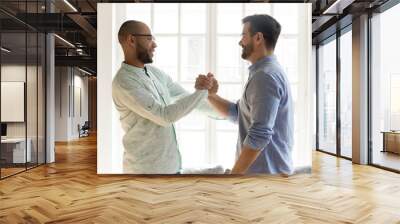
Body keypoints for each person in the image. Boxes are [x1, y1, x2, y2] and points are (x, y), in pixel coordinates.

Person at [112, 20, 218, 174]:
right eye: (149, 38)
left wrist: (230, 113)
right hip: (144, 172)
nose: (154, 44)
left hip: (171, 167)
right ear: (131, 40)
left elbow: (186, 98)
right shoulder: (124, 81)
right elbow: (164, 116)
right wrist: (202, 91)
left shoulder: (155, 73)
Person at [206, 14, 294, 175]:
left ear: (258, 38)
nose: (240, 42)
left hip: (264, 178)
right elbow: (238, 114)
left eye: (243, 36)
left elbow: (260, 134)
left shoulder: (265, 76)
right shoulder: (263, 73)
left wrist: (233, 176)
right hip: (262, 175)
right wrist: (211, 95)